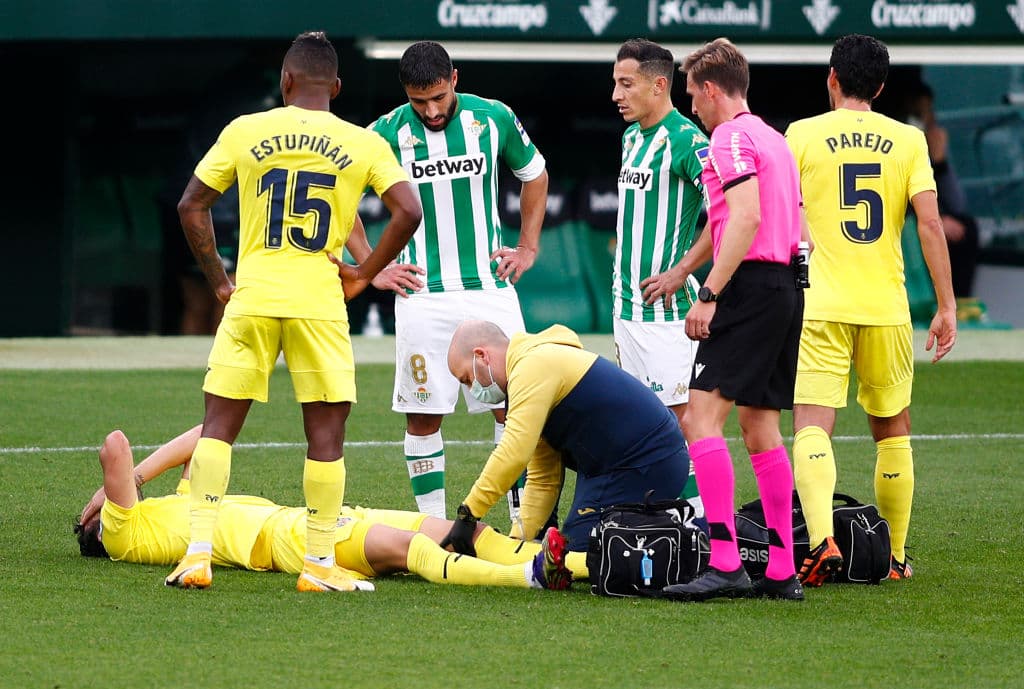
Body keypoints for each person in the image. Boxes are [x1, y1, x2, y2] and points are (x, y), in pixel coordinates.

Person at [169, 31, 422, 592]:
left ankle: (197, 553)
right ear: (335, 86)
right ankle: (318, 564)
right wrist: (364, 270)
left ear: (285, 82)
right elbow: (408, 210)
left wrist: (219, 282)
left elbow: (191, 207)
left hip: (252, 298)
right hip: (319, 304)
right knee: (326, 436)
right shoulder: (361, 142)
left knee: (217, 428)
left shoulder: (244, 129)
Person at [785, 34, 957, 586]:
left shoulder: (802, 134)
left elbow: (788, 216)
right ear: (880, 87)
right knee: (893, 430)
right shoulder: (907, 141)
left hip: (820, 304)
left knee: (813, 424)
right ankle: (897, 557)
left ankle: (818, 543)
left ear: (832, 78)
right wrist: (947, 305)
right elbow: (931, 224)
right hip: (886, 305)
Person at [643, 38, 806, 602]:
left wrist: (709, 292)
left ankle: (725, 562)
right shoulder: (773, 138)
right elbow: (764, 223)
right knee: (761, 429)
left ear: (712, 89)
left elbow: (746, 217)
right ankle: (782, 571)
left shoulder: (730, 137)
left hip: (750, 284)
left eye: (693, 94)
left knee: (700, 419)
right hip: (787, 286)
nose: (693, 106)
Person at [368, 41, 549, 522]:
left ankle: (520, 524)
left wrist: (528, 246)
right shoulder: (384, 133)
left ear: (454, 79)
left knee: (514, 405)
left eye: (437, 98)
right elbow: (338, 193)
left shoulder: (493, 119)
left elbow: (535, 174)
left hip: (489, 288)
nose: (429, 110)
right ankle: (434, 524)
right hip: (421, 293)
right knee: (423, 413)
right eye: (417, 101)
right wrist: (371, 266)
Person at [75, 426, 571, 591]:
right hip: (287, 541)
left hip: (311, 515)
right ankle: (527, 575)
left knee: (456, 529)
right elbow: (115, 446)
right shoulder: (123, 534)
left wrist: (138, 485)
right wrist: (112, 492)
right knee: (408, 548)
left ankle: (574, 563)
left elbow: (207, 434)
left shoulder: (182, 505)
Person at [438, 319, 694, 586]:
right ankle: (660, 531)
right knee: (572, 547)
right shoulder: (532, 367)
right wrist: (516, 542)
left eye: (467, 378)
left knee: (581, 554)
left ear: (481, 355)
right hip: (617, 467)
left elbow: (513, 452)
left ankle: (684, 549)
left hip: (645, 463)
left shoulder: (532, 366)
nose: (472, 389)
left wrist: (468, 514)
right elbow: (543, 478)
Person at [611, 38, 709, 524]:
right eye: (615, 83)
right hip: (626, 311)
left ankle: (698, 525)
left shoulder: (689, 141)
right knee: (639, 425)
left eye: (626, 84)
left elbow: (729, 214)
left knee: (679, 423)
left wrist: (682, 271)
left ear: (659, 84)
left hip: (666, 316)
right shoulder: (631, 137)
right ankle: (656, 517)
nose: (616, 94)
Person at [904, 80, 982, 308]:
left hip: (931, 219)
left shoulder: (929, 146)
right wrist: (931, 219)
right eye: (919, 112)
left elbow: (957, 203)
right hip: (905, 226)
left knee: (966, 226)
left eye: (928, 112)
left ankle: (958, 301)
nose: (925, 119)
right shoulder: (899, 145)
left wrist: (941, 162)